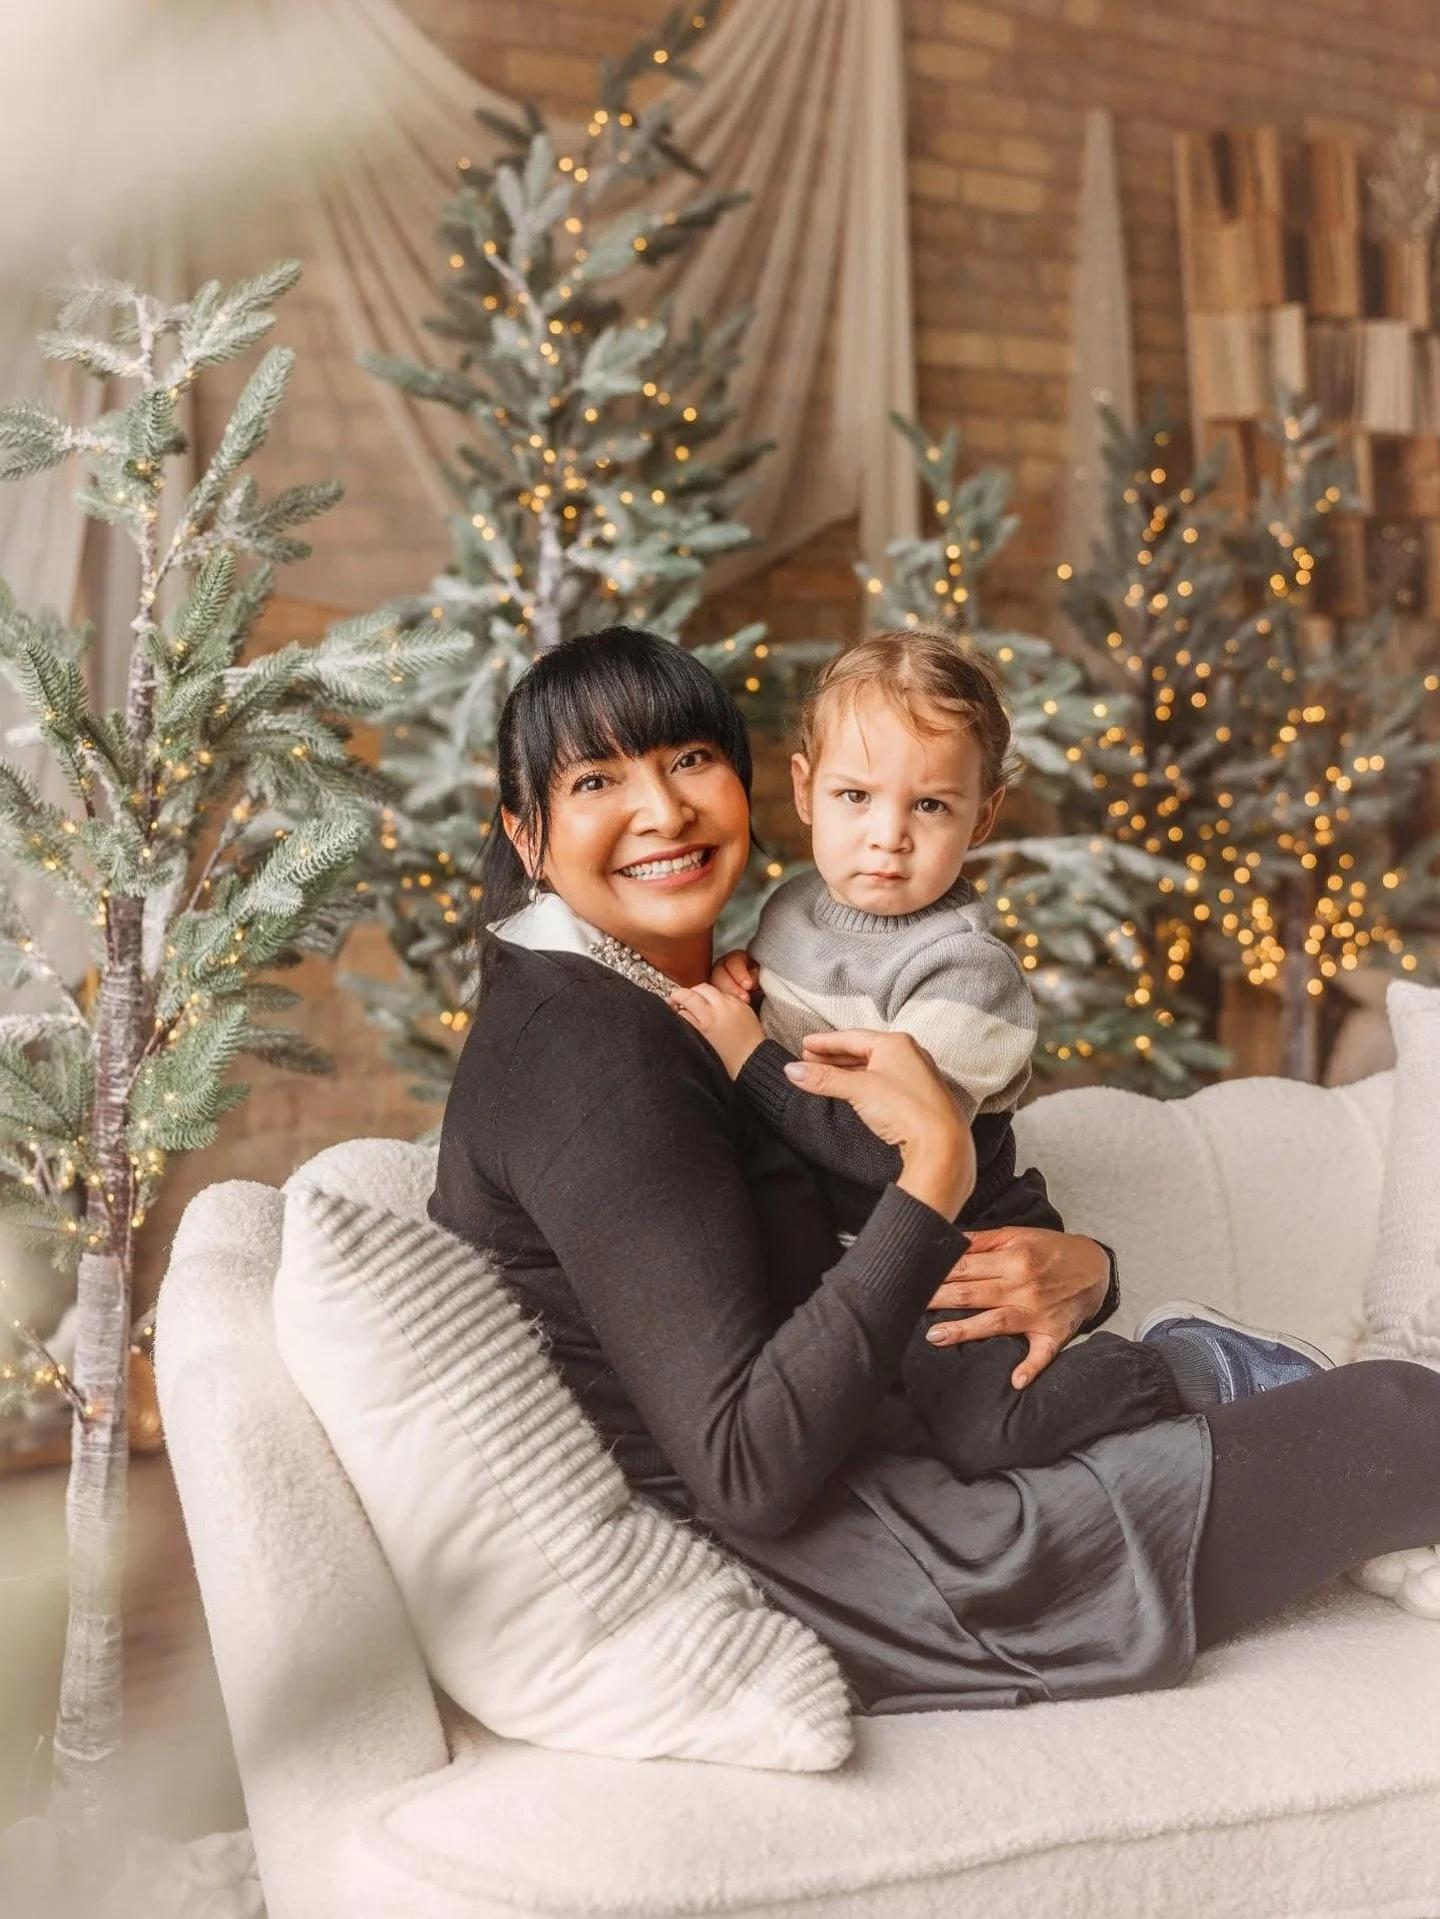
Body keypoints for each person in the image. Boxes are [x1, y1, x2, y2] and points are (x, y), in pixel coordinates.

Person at [429, 623, 1440, 1715]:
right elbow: (747, 1468)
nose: (664, 811)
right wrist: (936, 1170)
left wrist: (1083, 1266)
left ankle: (1199, 1369)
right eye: (596, 779)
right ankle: (1202, 1370)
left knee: (1393, 1413)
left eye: (689, 759)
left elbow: (812, 1261)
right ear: (527, 834)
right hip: (877, 1566)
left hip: (904, 1464)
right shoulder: (591, 1051)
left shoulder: (691, 995)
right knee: (1401, 1415)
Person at [664, 626, 1329, 1481]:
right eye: (855, 795)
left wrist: (746, 1051)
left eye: (930, 806)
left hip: (959, 1253)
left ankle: (1189, 1364)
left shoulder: (968, 973)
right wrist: (749, 984)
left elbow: (896, 1156)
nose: (887, 835)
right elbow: (800, 1024)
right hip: (851, 1257)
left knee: (991, 1432)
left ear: (982, 814)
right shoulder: (791, 910)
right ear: (804, 790)